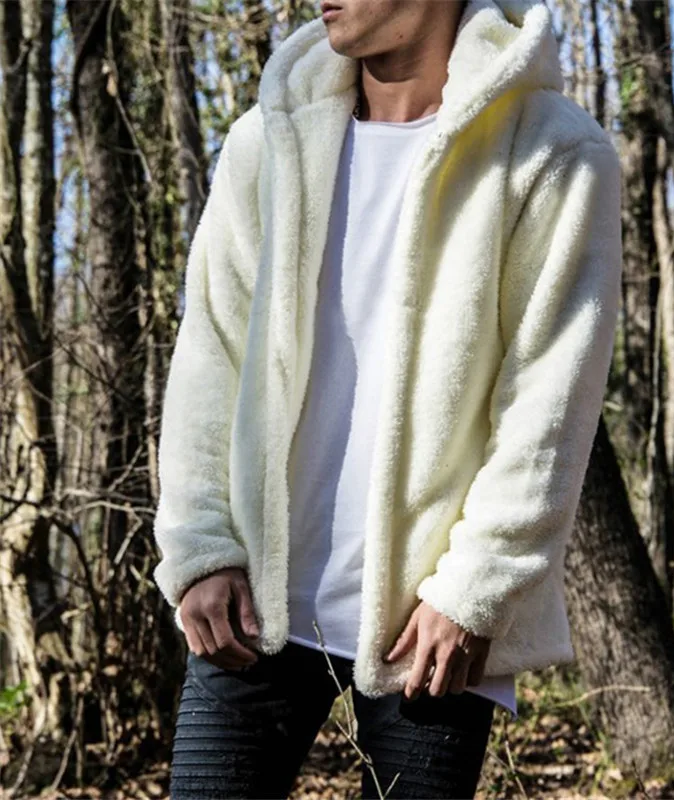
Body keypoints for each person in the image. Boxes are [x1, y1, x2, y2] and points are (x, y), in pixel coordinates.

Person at [151, 0, 623, 797]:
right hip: (251, 605)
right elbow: (210, 356)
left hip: (431, 626)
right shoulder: (267, 140)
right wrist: (200, 550)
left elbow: (548, 399)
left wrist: (475, 590)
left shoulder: (553, 152)